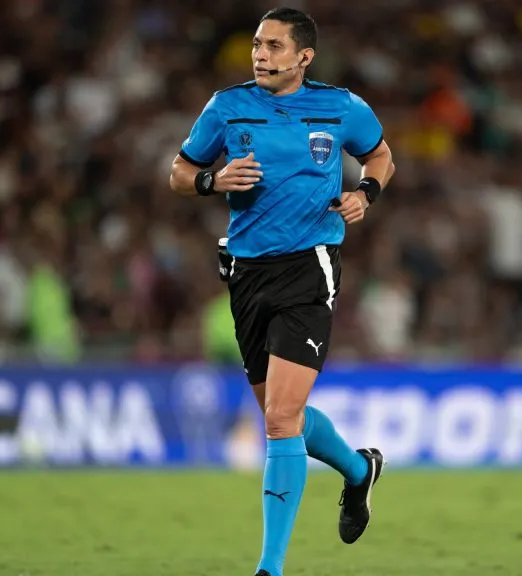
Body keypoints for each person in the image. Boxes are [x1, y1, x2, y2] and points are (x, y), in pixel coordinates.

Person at [168, 7, 396, 576]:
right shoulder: (227, 107)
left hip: (309, 265)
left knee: (279, 419)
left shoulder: (341, 107)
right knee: (281, 417)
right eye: (256, 44)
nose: (260, 54)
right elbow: (178, 170)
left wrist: (365, 192)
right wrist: (210, 180)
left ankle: (269, 568)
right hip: (246, 271)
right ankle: (359, 470)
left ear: (304, 57)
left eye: (273, 45)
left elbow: (382, 156)